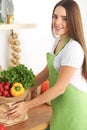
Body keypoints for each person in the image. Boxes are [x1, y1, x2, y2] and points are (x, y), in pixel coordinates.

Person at [5, 0, 87, 130]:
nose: (57, 22)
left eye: (64, 19)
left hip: (74, 112)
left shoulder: (73, 48)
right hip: (60, 110)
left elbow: (60, 88)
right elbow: (46, 72)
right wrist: (26, 91)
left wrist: (26, 106)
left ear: (73, 21)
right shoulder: (58, 42)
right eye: (55, 16)